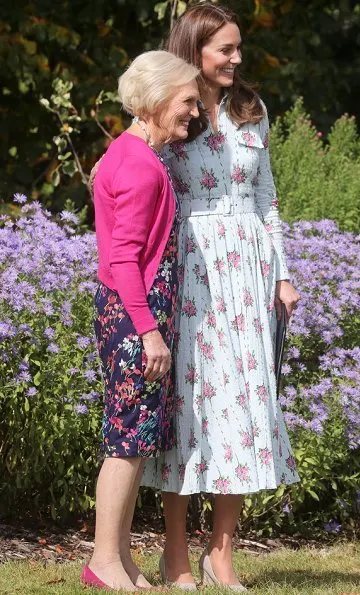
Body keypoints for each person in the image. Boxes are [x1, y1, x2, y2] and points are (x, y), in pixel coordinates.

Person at [141, 4, 301, 591]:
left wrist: (281, 275)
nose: (236, 59)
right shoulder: (171, 107)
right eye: (224, 49)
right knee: (189, 406)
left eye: (239, 48)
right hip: (188, 266)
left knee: (244, 402)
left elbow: (267, 196)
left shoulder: (251, 110)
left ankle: (223, 551)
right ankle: (176, 553)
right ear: (194, 49)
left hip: (248, 266)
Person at [82, 50, 199, 592]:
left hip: (134, 313)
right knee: (125, 441)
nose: (195, 113)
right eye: (187, 101)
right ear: (154, 101)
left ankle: (121, 559)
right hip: (134, 316)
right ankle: (104, 561)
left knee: (132, 437)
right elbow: (124, 259)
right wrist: (148, 330)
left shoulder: (134, 154)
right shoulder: (136, 164)